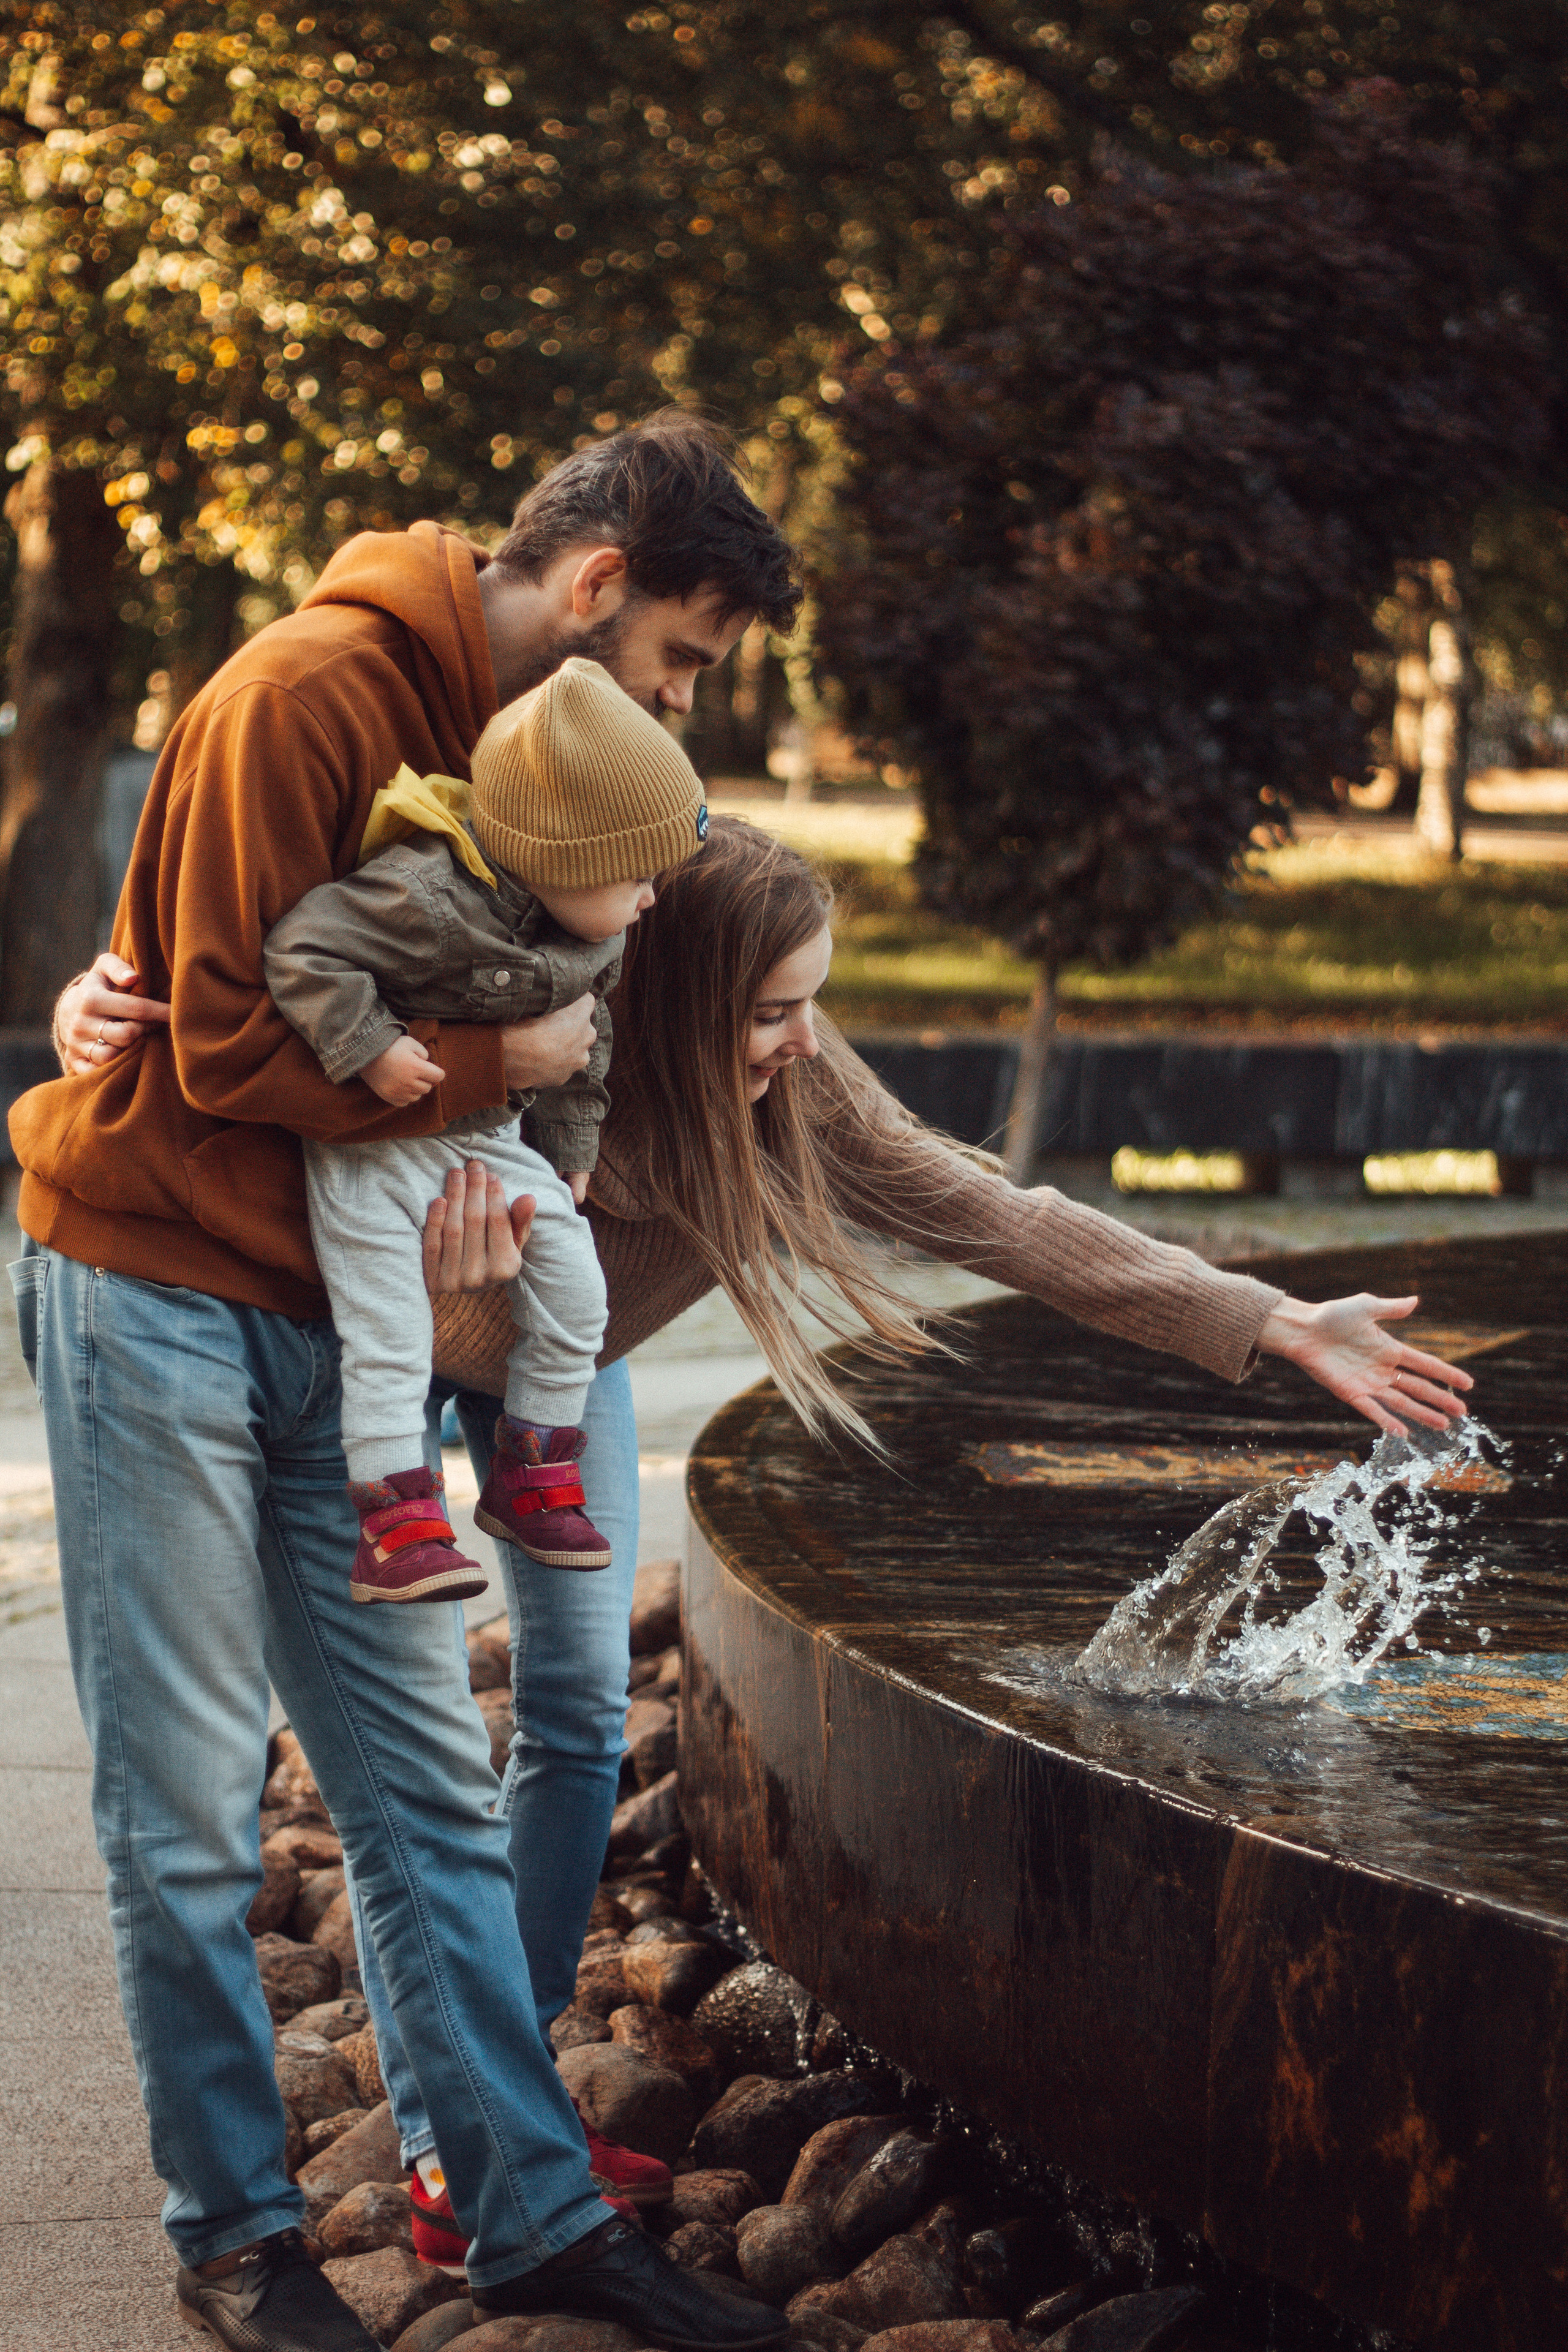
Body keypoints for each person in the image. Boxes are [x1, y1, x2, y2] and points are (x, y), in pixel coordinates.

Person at [57, 817, 1474, 2285]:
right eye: (771, 1012)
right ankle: (450, 2147)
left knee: (576, 1707)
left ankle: (512, 2105)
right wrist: (92, 1009)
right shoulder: (513, 1012)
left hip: (570, 1367)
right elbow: (262, 989)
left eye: (815, 1005)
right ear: (667, 1004)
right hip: (392, 1358)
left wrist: (1267, 1320)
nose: (804, 1044)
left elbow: (993, 1213)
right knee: (414, 1784)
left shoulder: (796, 1080)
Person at [15, 413, 800, 2352]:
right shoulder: (306, 695)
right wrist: (495, 1070)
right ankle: (238, 2240)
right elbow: (217, 1038)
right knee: (191, 1811)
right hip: (156, 1292)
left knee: (429, 1787)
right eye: (680, 661)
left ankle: (529, 2217)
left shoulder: (533, 756)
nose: (676, 707)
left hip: (331, 1332)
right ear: (598, 585)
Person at [263, 655, 709, 1604]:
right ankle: (396, 1522)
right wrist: (372, 1047)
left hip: (492, 1141)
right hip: (375, 1150)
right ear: (563, 860)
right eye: (637, 875)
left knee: (578, 1293)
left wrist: (573, 1150)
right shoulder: (419, 899)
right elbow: (301, 950)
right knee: (389, 1331)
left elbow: (587, 1040)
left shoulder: (594, 930)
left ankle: (531, 1474)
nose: (650, 899)